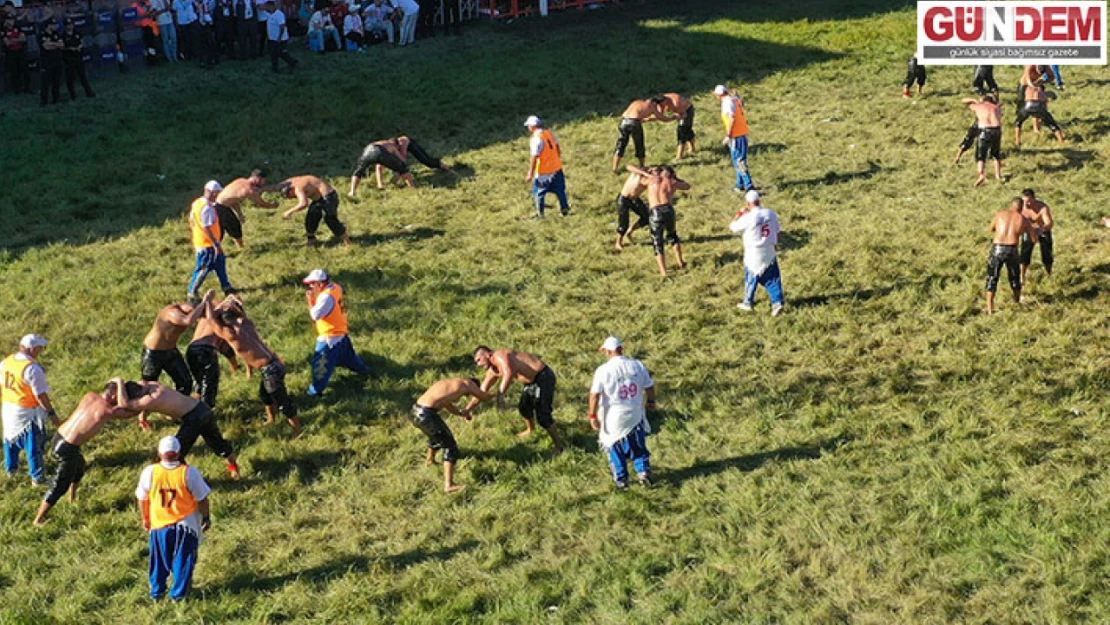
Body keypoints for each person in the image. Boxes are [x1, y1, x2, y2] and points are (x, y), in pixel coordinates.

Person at [33, 378, 140, 526]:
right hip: (68, 448)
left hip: (59, 436)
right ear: (115, 396)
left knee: (79, 467)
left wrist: (116, 382)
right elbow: (130, 412)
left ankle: (73, 498)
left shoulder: (89, 395)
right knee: (60, 485)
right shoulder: (107, 411)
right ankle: (38, 519)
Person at [209, 297, 302, 435]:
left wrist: (207, 303)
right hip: (275, 363)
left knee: (282, 402)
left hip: (270, 370)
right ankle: (271, 419)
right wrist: (230, 305)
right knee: (265, 395)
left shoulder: (231, 335)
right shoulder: (247, 324)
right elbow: (241, 313)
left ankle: (298, 430)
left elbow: (212, 322)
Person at [135, 435, 213, 601]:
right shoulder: (189, 473)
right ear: (178, 453)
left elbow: (142, 498)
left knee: (158, 561)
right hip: (185, 524)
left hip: (159, 524)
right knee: (183, 561)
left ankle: (157, 593)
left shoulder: (150, 472)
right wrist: (206, 518)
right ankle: (179, 595)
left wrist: (146, 518)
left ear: (160, 453)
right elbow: (202, 499)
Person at [119, 380, 239, 478]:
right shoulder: (153, 385)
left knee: (176, 452)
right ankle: (234, 468)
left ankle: (185, 481)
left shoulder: (150, 399)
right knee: (218, 443)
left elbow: (125, 404)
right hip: (201, 407)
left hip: (193, 418)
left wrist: (119, 382)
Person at [466, 346, 565, 453]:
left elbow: (509, 372)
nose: (478, 364)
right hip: (530, 382)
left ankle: (559, 446)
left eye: (479, 360)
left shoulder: (500, 355)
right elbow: (481, 392)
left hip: (543, 377)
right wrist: (467, 409)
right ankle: (530, 429)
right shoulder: (492, 371)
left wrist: (501, 395)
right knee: (524, 408)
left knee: (543, 415)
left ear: (488, 354)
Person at [588, 336, 656, 489]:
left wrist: (592, 415)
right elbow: (649, 386)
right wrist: (651, 402)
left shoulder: (603, 370)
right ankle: (643, 472)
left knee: (614, 446)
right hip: (635, 412)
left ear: (608, 351)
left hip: (613, 414)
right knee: (638, 444)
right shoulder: (637, 365)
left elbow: (594, 395)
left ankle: (621, 479)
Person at [411, 378, 495, 493]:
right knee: (450, 447)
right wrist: (499, 393)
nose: (466, 395)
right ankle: (449, 485)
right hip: (426, 415)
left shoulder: (448, 383)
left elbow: (447, 404)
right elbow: (484, 397)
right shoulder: (468, 384)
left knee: (435, 436)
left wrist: (461, 413)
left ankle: (430, 460)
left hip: (415, 411)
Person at [301, 269, 373, 396]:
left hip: (329, 337)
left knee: (320, 367)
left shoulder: (325, 298)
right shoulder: (335, 288)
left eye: (312, 284)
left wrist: (310, 300)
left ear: (320, 284)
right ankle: (365, 371)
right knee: (350, 358)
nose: (310, 287)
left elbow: (315, 315)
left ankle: (315, 392)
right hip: (341, 332)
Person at [2, 334, 60, 486]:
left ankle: (11, 469)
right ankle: (37, 477)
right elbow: (40, 395)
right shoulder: (32, 368)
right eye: (40, 348)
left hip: (8, 406)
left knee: (9, 440)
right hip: (27, 410)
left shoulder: (6, 362)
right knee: (33, 444)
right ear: (33, 349)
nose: (42, 350)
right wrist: (51, 413)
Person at [142, 290, 214, 396]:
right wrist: (204, 302)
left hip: (171, 351)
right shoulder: (172, 312)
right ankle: (143, 411)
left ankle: (178, 409)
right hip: (153, 352)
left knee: (185, 382)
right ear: (190, 309)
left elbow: (209, 319)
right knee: (148, 385)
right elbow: (187, 321)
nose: (197, 320)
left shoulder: (190, 313)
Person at [627, 165, 688, 277]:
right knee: (673, 236)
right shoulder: (672, 181)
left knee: (657, 241)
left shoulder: (651, 180)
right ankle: (680, 262)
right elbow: (687, 186)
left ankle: (663, 271)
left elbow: (633, 172)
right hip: (668, 209)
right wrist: (676, 178)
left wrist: (646, 172)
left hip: (655, 211)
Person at [729, 190, 785, 315]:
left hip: (753, 252)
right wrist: (776, 245)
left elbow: (732, 227)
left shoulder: (748, 217)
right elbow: (778, 232)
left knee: (751, 276)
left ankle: (748, 302)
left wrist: (740, 214)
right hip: (769, 249)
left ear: (748, 203)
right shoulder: (771, 213)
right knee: (773, 277)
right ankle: (777, 302)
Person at [185, 295, 243, 408]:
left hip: (191, 349)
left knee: (200, 382)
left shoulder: (209, 310)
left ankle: (191, 408)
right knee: (209, 386)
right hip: (206, 350)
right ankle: (205, 414)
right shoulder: (225, 316)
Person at [348, 136, 456, 194]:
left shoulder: (400, 142)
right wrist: (398, 174)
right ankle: (412, 187)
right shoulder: (392, 146)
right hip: (379, 151)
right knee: (403, 168)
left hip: (368, 149)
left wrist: (384, 182)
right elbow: (402, 162)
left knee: (359, 171)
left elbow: (380, 165)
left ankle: (352, 192)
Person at [985, 198, 1038, 314]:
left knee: (992, 277)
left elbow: (991, 229)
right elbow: (1034, 239)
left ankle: (990, 308)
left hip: (997, 248)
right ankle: (1016, 302)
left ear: (1011, 205)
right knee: (1014, 277)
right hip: (1012, 249)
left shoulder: (1000, 215)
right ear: (1021, 207)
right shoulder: (1024, 220)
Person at [187, 182, 238, 301]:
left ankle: (226, 286)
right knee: (203, 268)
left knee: (220, 263)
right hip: (208, 244)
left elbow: (191, 220)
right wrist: (215, 243)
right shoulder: (208, 208)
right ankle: (192, 292)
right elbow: (206, 227)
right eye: (217, 193)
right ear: (213, 193)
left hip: (202, 241)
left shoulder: (197, 202)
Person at [214, 168, 279, 248]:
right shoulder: (249, 190)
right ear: (257, 179)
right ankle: (213, 251)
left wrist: (240, 214)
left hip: (219, 206)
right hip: (220, 209)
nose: (264, 182)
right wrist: (273, 205)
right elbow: (261, 203)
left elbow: (233, 200)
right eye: (263, 180)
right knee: (221, 233)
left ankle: (240, 248)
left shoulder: (240, 180)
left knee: (234, 227)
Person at [278, 175, 352, 247]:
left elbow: (304, 203)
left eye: (289, 197)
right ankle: (312, 240)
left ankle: (347, 242)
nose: (292, 198)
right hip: (318, 199)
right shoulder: (294, 182)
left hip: (329, 196)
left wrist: (290, 211)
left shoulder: (298, 188)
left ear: (291, 191)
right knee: (311, 217)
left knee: (329, 218)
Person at [523, 115, 570, 218]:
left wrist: (530, 172)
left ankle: (541, 214)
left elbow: (534, 157)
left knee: (539, 193)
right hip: (557, 167)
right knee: (560, 190)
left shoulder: (536, 139)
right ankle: (565, 209)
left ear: (532, 127)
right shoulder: (549, 133)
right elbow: (557, 147)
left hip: (543, 171)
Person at [611, 96, 672, 173]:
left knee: (621, 144)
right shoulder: (652, 106)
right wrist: (674, 117)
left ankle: (615, 167)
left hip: (623, 121)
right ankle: (642, 166)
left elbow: (640, 115)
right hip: (634, 123)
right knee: (639, 144)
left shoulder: (637, 102)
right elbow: (662, 118)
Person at [714, 85, 755, 192]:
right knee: (737, 161)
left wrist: (728, 136)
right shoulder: (733, 99)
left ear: (719, 95)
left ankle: (749, 186)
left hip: (736, 136)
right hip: (742, 133)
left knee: (740, 161)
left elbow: (732, 118)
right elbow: (741, 103)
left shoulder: (727, 103)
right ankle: (739, 185)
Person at [959, 95, 1004, 187]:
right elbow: (1000, 107)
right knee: (996, 154)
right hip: (997, 130)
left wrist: (974, 100)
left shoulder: (979, 106)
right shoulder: (996, 107)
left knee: (981, 155)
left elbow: (963, 100)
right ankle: (998, 175)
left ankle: (981, 175)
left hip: (985, 130)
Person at [1019, 188, 1054, 286]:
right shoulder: (1022, 208)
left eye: (1029, 202)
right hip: (1029, 231)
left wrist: (1040, 230)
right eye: (1025, 202)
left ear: (1034, 199)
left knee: (1047, 253)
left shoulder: (1043, 208)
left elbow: (1049, 223)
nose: (1027, 204)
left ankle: (1049, 274)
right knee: (1024, 253)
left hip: (1042, 230)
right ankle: (1022, 276)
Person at [1015, 82, 1065, 147]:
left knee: (1018, 122)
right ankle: (1061, 141)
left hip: (1028, 105)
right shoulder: (1041, 91)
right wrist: (1043, 117)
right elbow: (1045, 105)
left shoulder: (1027, 88)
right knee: (1052, 125)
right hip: (1040, 106)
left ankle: (1017, 140)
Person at [614, 167, 651, 251]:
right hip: (624, 199)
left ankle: (630, 232)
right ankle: (618, 242)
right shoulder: (637, 174)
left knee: (647, 217)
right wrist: (644, 173)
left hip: (635, 199)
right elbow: (628, 166)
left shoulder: (649, 180)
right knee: (624, 223)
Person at [61, 19, 94, 99]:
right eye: (68, 25)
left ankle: (89, 92)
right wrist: (70, 48)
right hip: (68, 58)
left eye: (71, 24)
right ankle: (73, 95)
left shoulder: (77, 33)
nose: (70, 26)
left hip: (78, 57)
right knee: (70, 78)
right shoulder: (63, 35)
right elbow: (61, 47)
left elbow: (82, 42)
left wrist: (79, 47)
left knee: (82, 76)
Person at [265, 0, 297, 73]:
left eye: (268, 7)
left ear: (272, 6)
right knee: (273, 54)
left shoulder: (279, 15)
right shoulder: (269, 14)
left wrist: (280, 37)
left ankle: (293, 62)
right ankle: (275, 68)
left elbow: (282, 27)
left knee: (281, 53)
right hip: (272, 39)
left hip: (280, 39)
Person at [661, 92, 695, 160]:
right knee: (688, 130)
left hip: (687, 111)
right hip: (680, 111)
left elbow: (684, 115)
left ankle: (679, 156)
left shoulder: (676, 103)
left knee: (682, 131)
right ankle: (692, 148)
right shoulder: (661, 99)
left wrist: (673, 118)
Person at [38, 18, 63, 106]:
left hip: (57, 60)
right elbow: (46, 47)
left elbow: (61, 45)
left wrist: (52, 44)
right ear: (49, 26)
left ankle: (56, 99)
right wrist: (55, 44)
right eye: (54, 25)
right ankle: (44, 101)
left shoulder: (57, 34)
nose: (56, 26)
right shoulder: (42, 35)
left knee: (56, 81)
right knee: (45, 82)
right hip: (46, 61)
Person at [3, 17, 31, 94]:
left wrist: (13, 40)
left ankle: (27, 88)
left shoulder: (18, 28)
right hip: (11, 53)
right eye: (8, 20)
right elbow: (7, 43)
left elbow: (23, 39)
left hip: (20, 52)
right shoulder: (4, 30)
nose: (10, 22)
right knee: (14, 72)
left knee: (25, 70)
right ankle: (17, 89)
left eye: (11, 20)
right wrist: (18, 39)